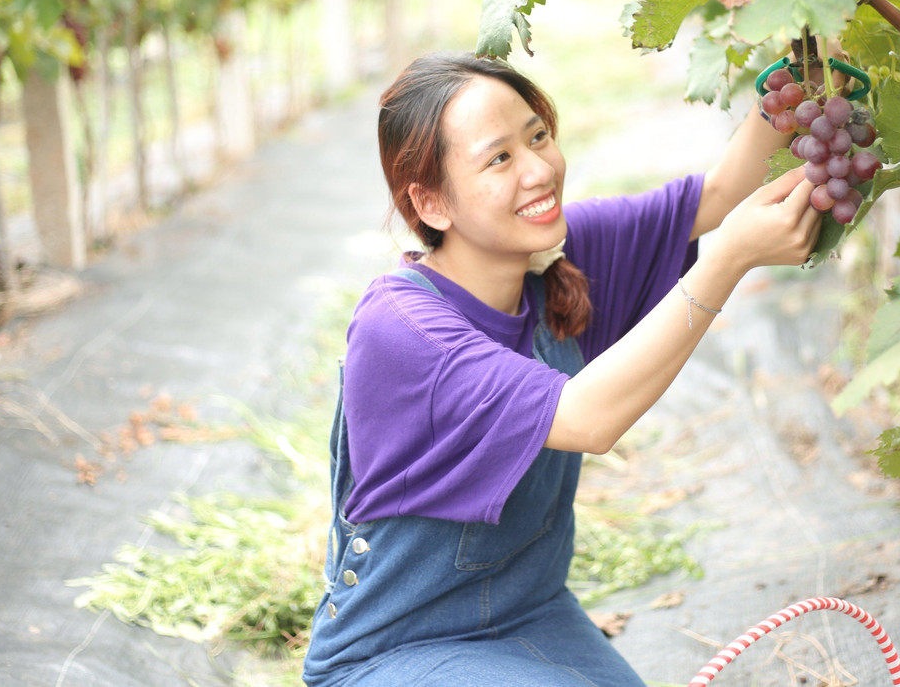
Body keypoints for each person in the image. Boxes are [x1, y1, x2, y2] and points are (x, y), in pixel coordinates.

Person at [302, 51, 820, 686]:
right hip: (394, 651)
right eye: (499, 158)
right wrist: (730, 260)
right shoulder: (401, 327)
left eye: (538, 136)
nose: (538, 170)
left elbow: (718, 195)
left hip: (533, 616)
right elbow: (587, 420)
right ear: (431, 203)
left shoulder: (556, 264)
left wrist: (795, 86)